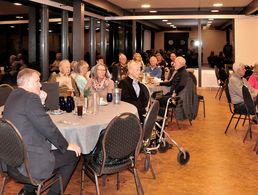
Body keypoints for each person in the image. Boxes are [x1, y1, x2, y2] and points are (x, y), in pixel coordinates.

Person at [3, 68, 81, 195]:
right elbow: (48, 128)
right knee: (73, 155)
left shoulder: (13, 94)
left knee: (49, 147)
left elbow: (34, 118)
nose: (40, 85)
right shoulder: (30, 98)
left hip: (12, 160)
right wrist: (66, 145)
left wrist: (42, 102)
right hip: (30, 162)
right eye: (37, 81)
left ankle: (28, 191)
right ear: (28, 83)